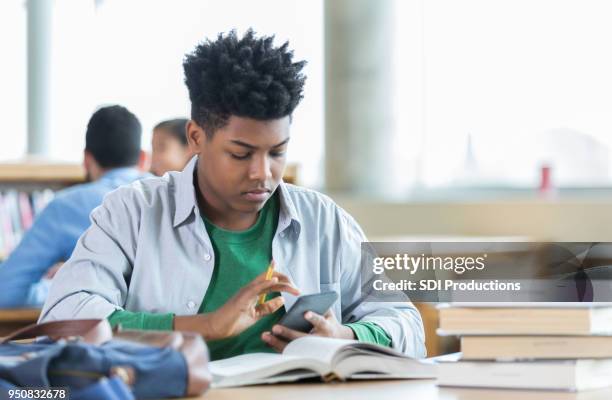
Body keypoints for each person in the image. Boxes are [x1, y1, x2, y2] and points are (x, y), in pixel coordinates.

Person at [40, 30, 426, 360]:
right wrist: (202, 326)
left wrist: (348, 337)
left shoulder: (324, 220)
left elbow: (407, 323)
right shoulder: (132, 213)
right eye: (240, 154)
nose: (263, 173)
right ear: (196, 137)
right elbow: (62, 320)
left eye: (277, 152)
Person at [0, 105, 147, 307]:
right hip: (175, 332)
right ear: (143, 158)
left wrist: (62, 286)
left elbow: (8, 292)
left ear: (86, 160)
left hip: (98, 332)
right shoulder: (171, 196)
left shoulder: (64, 207)